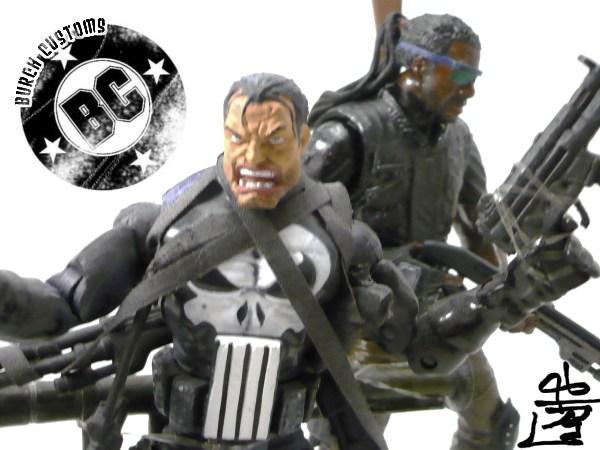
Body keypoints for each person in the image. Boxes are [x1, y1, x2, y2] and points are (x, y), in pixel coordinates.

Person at [0, 72, 594, 450]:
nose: (253, 156)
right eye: (239, 137)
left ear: (304, 142)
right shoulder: (161, 228)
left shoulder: (345, 242)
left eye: (274, 139)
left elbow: (422, 344)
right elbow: (56, 307)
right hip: (178, 438)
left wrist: (513, 291)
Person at [304, 12, 519, 450]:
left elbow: (476, 228)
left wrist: (506, 291)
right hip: (361, 323)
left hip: (436, 315)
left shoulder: (458, 139)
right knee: (351, 439)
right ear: (418, 66)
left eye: (473, 77)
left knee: (494, 425)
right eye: (460, 74)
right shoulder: (349, 133)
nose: (470, 89)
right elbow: (296, 233)